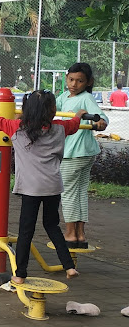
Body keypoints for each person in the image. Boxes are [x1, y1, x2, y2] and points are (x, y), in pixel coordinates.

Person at [0, 90, 81, 284]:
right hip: (53, 186)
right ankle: (69, 266)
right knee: (52, 225)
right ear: (53, 111)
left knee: (26, 230)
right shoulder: (60, 128)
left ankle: (19, 274)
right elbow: (74, 124)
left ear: (26, 111)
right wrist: (80, 114)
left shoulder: (17, 128)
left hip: (30, 189)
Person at [57, 63, 108, 249]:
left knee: (68, 192)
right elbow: (51, 108)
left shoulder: (86, 98)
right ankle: (79, 235)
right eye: (71, 79)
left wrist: (100, 122)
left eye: (80, 81)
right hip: (84, 153)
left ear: (88, 83)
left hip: (74, 153)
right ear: (66, 78)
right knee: (79, 192)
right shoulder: (64, 97)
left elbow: (101, 117)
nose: (74, 84)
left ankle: (70, 234)